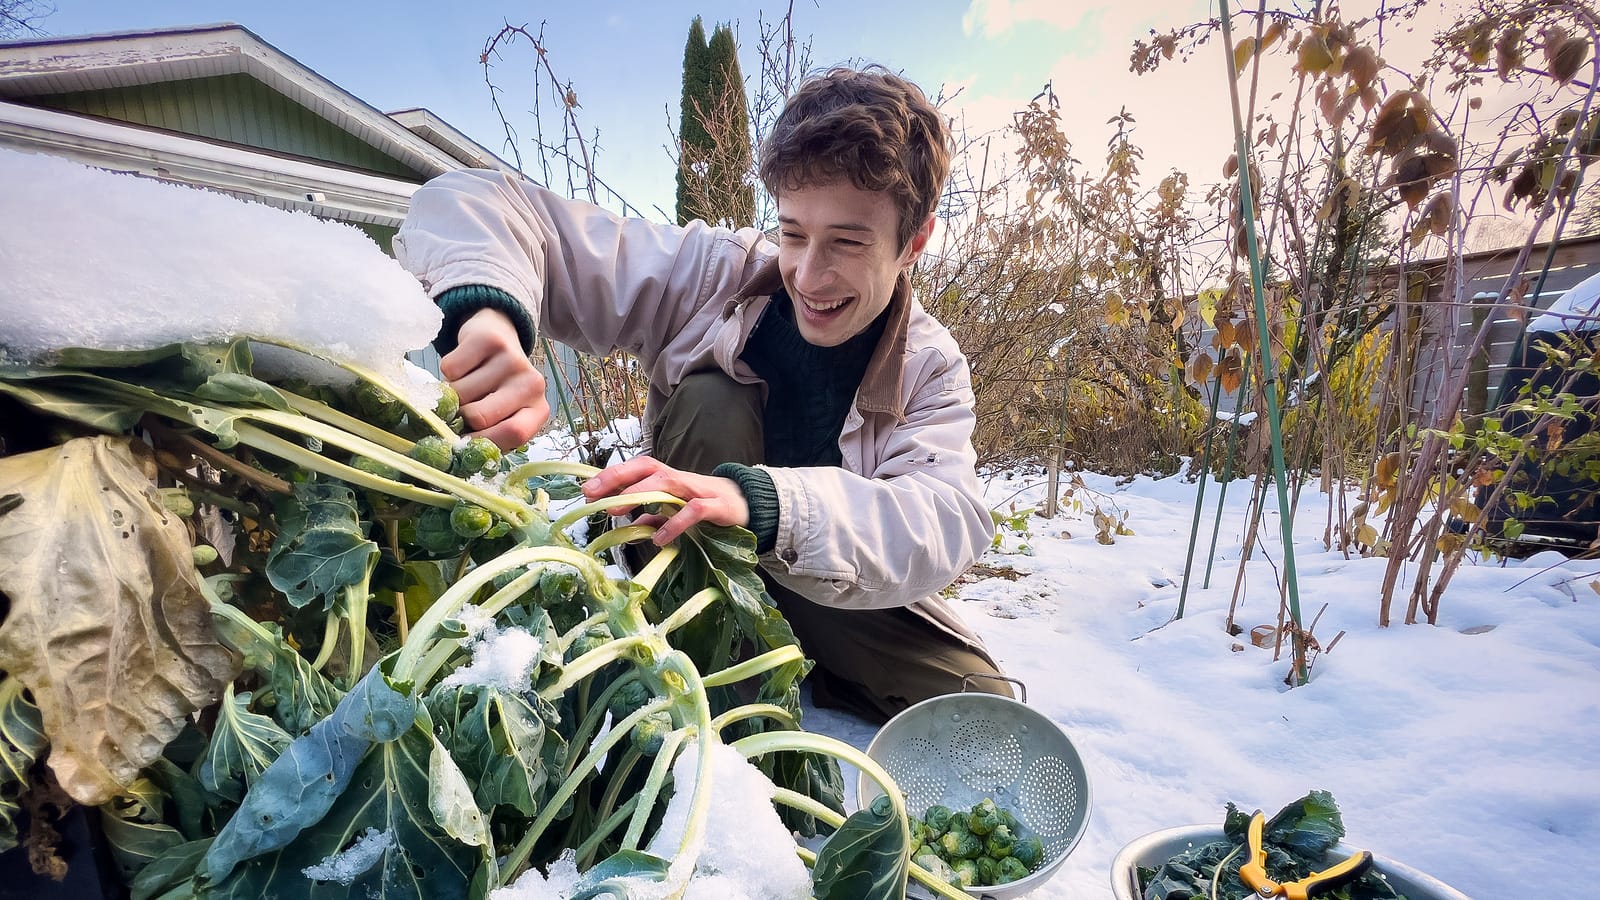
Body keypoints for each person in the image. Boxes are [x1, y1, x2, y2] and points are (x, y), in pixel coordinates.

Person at [395, 66, 1011, 722]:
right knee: (713, 398)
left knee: (984, 708)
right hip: (684, 547)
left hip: (819, 573)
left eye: (847, 243)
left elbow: (946, 518)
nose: (806, 273)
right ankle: (708, 696)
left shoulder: (932, 366)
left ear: (913, 243)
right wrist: (491, 317)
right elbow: (473, 201)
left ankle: (800, 654)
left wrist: (766, 505)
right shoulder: (714, 272)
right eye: (794, 232)